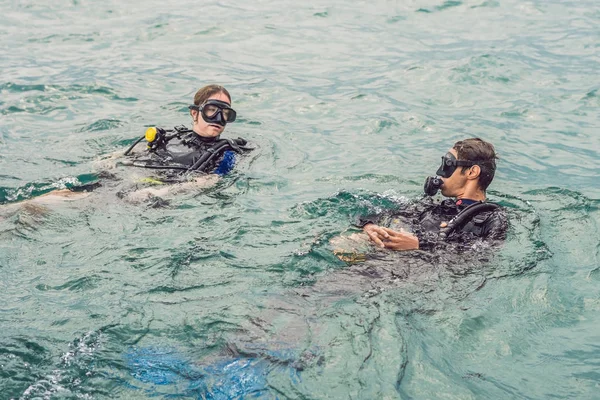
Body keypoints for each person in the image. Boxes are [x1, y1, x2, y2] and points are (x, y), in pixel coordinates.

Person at [337, 138, 507, 256]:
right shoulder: (434, 206)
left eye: (447, 165)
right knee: (341, 243)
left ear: (472, 172)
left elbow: (483, 254)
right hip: (385, 260)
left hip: (417, 272)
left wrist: (419, 245)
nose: (440, 173)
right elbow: (375, 212)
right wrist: (369, 225)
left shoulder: (492, 217)